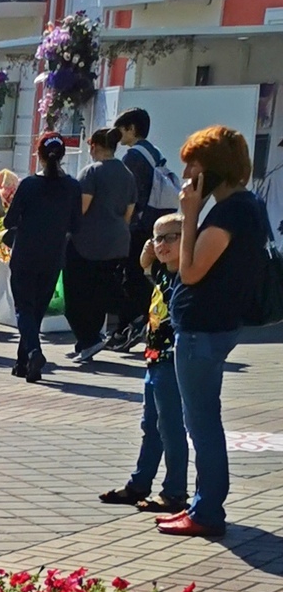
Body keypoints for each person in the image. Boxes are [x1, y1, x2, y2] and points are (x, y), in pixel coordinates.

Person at [160, 122, 268, 540]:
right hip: (217, 326)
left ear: (211, 171)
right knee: (203, 419)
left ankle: (206, 511)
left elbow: (189, 273)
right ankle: (203, 505)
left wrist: (190, 216)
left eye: (192, 168)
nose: (186, 177)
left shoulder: (229, 213)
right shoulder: (248, 206)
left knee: (201, 422)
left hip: (203, 330)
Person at [100, 214, 189, 515]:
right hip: (154, 359)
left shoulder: (187, 275)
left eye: (170, 237)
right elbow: (144, 264)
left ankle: (175, 491)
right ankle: (140, 483)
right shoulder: (163, 271)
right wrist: (147, 251)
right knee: (150, 425)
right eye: (157, 238)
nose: (161, 245)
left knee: (170, 427)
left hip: (172, 361)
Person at [0, 133, 80, 382]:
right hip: (53, 256)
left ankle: (33, 352)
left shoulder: (29, 185)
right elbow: (76, 225)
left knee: (24, 308)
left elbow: (9, 220)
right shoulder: (73, 187)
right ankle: (22, 362)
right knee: (37, 311)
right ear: (63, 155)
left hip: (25, 254)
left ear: (39, 155)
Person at [67, 129, 138, 358]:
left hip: (88, 242)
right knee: (101, 287)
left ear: (94, 146)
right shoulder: (127, 174)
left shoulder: (91, 172)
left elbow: (82, 208)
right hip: (117, 239)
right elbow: (129, 212)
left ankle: (88, 338)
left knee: (75, 294)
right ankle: (89, 342)